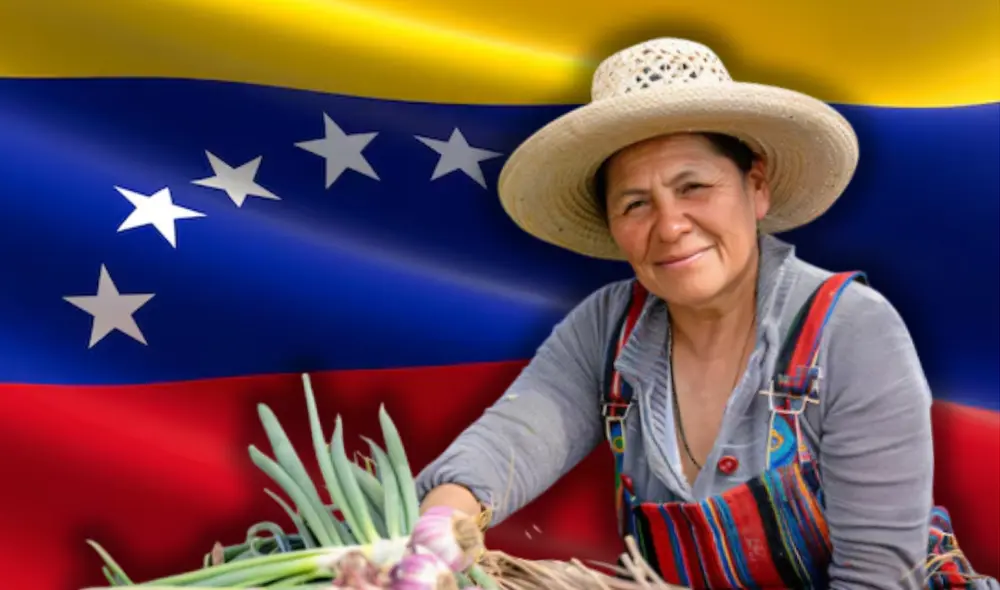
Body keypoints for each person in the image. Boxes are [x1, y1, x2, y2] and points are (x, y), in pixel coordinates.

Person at [414, 38, 996, 589]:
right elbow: (507, 443)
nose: (670, 226)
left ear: (756, 185)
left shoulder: (853, 330)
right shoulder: (605, 330)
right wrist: (436, 535)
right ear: (613, 226)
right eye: (636, 203)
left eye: (693, 186)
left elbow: (878, 576)